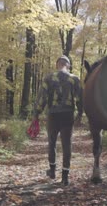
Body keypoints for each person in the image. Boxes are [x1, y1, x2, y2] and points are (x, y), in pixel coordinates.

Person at [33, 55, 83, 186]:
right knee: (67, 145)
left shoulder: (48, 78)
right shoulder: (74, 79)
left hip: (53, 115)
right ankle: (65, 177)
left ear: (57, 64)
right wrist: (80, 114)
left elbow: (42, 98)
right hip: (68, 115)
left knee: (52, 143)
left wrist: (36, 114)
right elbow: (79, 99)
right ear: (68, 65)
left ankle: (53, 171)